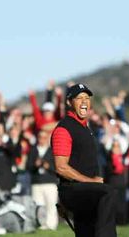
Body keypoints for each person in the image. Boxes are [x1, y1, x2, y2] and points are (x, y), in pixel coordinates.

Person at [51, 83, 117, 237]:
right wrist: (90, 181)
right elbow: (61, 168)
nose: (84, 102)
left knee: (86, 230)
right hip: (74, 190)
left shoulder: (85, 127)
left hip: (84, 191)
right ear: (69, 102)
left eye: (87, 98)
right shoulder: (64, 129)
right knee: (107, 192)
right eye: (79, 98)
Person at [26, 130, 58, 230]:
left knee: (51, 205)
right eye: (40, 137)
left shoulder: (53, 151)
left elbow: (58, 168)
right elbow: (28, 167)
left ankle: (51, 224)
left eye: (44, 137)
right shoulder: (33, 151)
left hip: (50, 182)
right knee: (39, 205)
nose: (42, 140)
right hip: (37, 182)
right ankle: (41, 224)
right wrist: (35, 165)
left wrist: (48, 167)